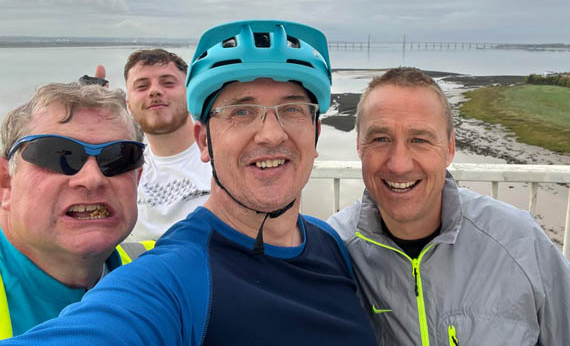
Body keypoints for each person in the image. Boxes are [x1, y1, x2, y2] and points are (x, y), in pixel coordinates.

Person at [1, 20, 376, 345]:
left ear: (316, 135)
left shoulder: (330, 244)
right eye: (241, 111)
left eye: (292, 109)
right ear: (203, 141)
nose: (270, 134)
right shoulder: (176, 274)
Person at [329, 67, 570, 345]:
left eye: (419, 140)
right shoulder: (333, 250)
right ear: (359, 145)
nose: (399, 164)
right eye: (381, 139)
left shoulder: (516, 240)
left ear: (450, 148)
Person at [0, 82, 145, 338]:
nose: (92, 178)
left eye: (118, 157)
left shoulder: (159, 274)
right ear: (6, 183)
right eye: (60, 155)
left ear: (137, 178)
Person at [123, 49, 210, 241]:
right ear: (128, 104)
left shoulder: (223, 160)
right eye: (142, 86)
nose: (154, 91)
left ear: (191, 93)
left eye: (168, 83)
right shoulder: (120, 169)